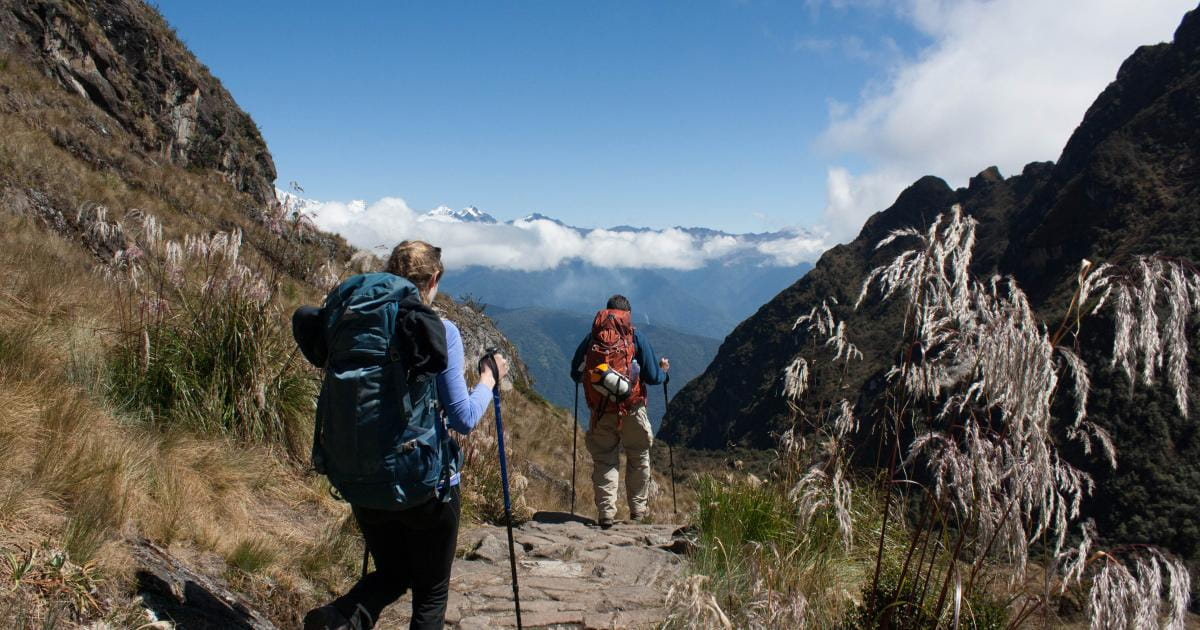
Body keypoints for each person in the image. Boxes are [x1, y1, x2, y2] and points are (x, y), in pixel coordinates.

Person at [304, 240, 509, 630]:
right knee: (430, 592)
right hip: (424, 485)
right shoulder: (440, 330)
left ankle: (338, 618)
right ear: (433, 279)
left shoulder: (351, 322)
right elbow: (463, 418)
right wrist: (488, 379)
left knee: (394, 573)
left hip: (360, 476)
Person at [569, 294, 669, 529]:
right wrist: (664, 371)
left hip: (601, 411)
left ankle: (606, 513)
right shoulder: (635, 336)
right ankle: (638, 512)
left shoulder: (592, 338)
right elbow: (653, 376)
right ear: (628, 314)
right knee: (638, 457)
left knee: (605, 459)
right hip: (632, 408)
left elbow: (575, 373)